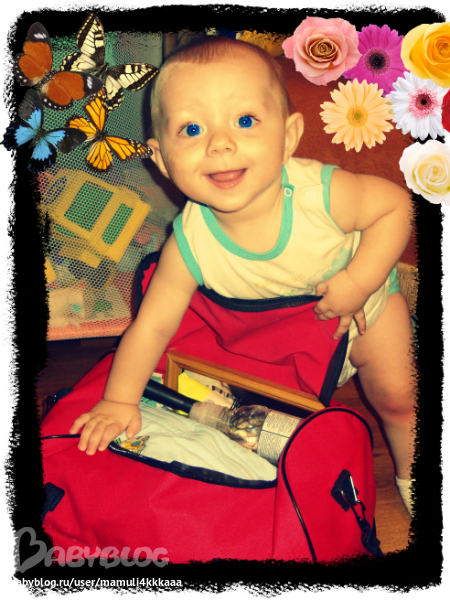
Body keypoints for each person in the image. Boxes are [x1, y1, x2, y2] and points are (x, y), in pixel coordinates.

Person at [70, 36, 416, 516]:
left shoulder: (322, 195)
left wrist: (360, 281)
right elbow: (151, 327)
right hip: (285, 339)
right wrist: (118, 400)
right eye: (192, 129)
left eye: (246, 121)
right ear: (162, 160)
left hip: (363, 312)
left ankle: (414, 474)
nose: (220, 143)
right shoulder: (188, 243)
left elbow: (397, 207)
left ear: (288, 137)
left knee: (399, 398)